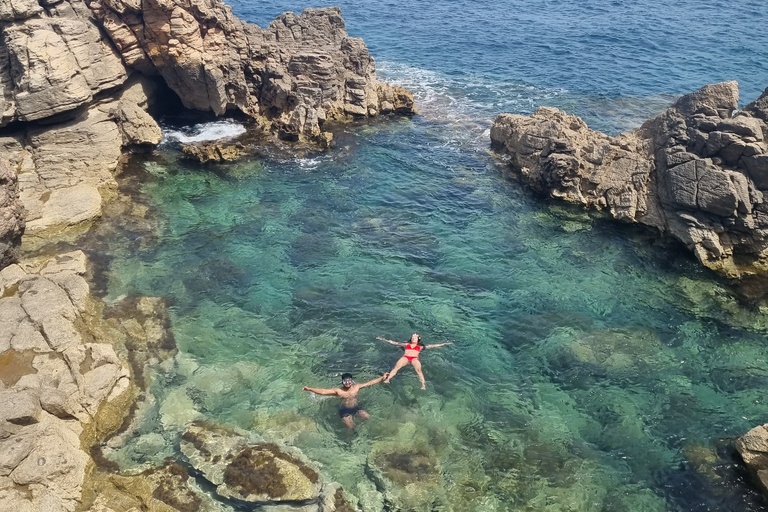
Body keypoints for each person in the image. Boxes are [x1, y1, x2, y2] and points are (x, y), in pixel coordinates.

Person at [302, 372, 389, 429]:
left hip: (356, 407)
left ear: (352, 381)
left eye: (349, 381)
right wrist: (310, 389)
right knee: (350, 427)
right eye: (345, 381)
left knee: (367, 417)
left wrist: (382, 377)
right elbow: (323, 391)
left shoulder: (356, 387)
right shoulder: (339, 391)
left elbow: (370, 383)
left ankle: (363, 429)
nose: (347, 383)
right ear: (342, 382)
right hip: (345, 410)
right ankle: (350, 440)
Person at [377, 333, 452, 390]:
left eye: (415, 338)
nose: (413, 339)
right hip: (405, 357)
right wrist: (383, 339)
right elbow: (394, 342)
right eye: (412, 337)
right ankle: (388, 379)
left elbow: (434, 346)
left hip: (414, 359)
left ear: (418, 340)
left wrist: (444, 344)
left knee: (419, 370)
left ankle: (423, 385)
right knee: (396, 367)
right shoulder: (406, 344)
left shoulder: (420, 347)